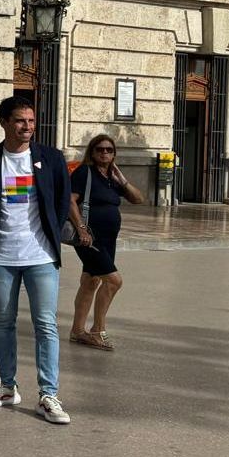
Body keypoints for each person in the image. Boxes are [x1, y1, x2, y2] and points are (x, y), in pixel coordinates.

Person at [0, 96, 73, 425]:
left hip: (40, 256)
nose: (27, 127)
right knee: (3, 322)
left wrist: (51, 237)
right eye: (20, 121)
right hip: (1, 257)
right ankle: (6, 386)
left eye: (31, 121)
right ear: (4, 122)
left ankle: (48, 394)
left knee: (46, 325)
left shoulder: (51, 158)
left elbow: (60, 202)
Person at [67, 134, 143, 352]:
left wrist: (123, 179)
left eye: (109, 150)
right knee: (114, 281)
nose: (105, 153)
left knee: (90, 281)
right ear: (92, 152)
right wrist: (81, 228)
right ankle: (97, 330)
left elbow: (138, 199)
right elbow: (70, 200)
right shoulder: (85, 172)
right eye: (100, 149)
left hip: (109, 239)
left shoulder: (111, 177)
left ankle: (77, 331)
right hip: (90, 238)